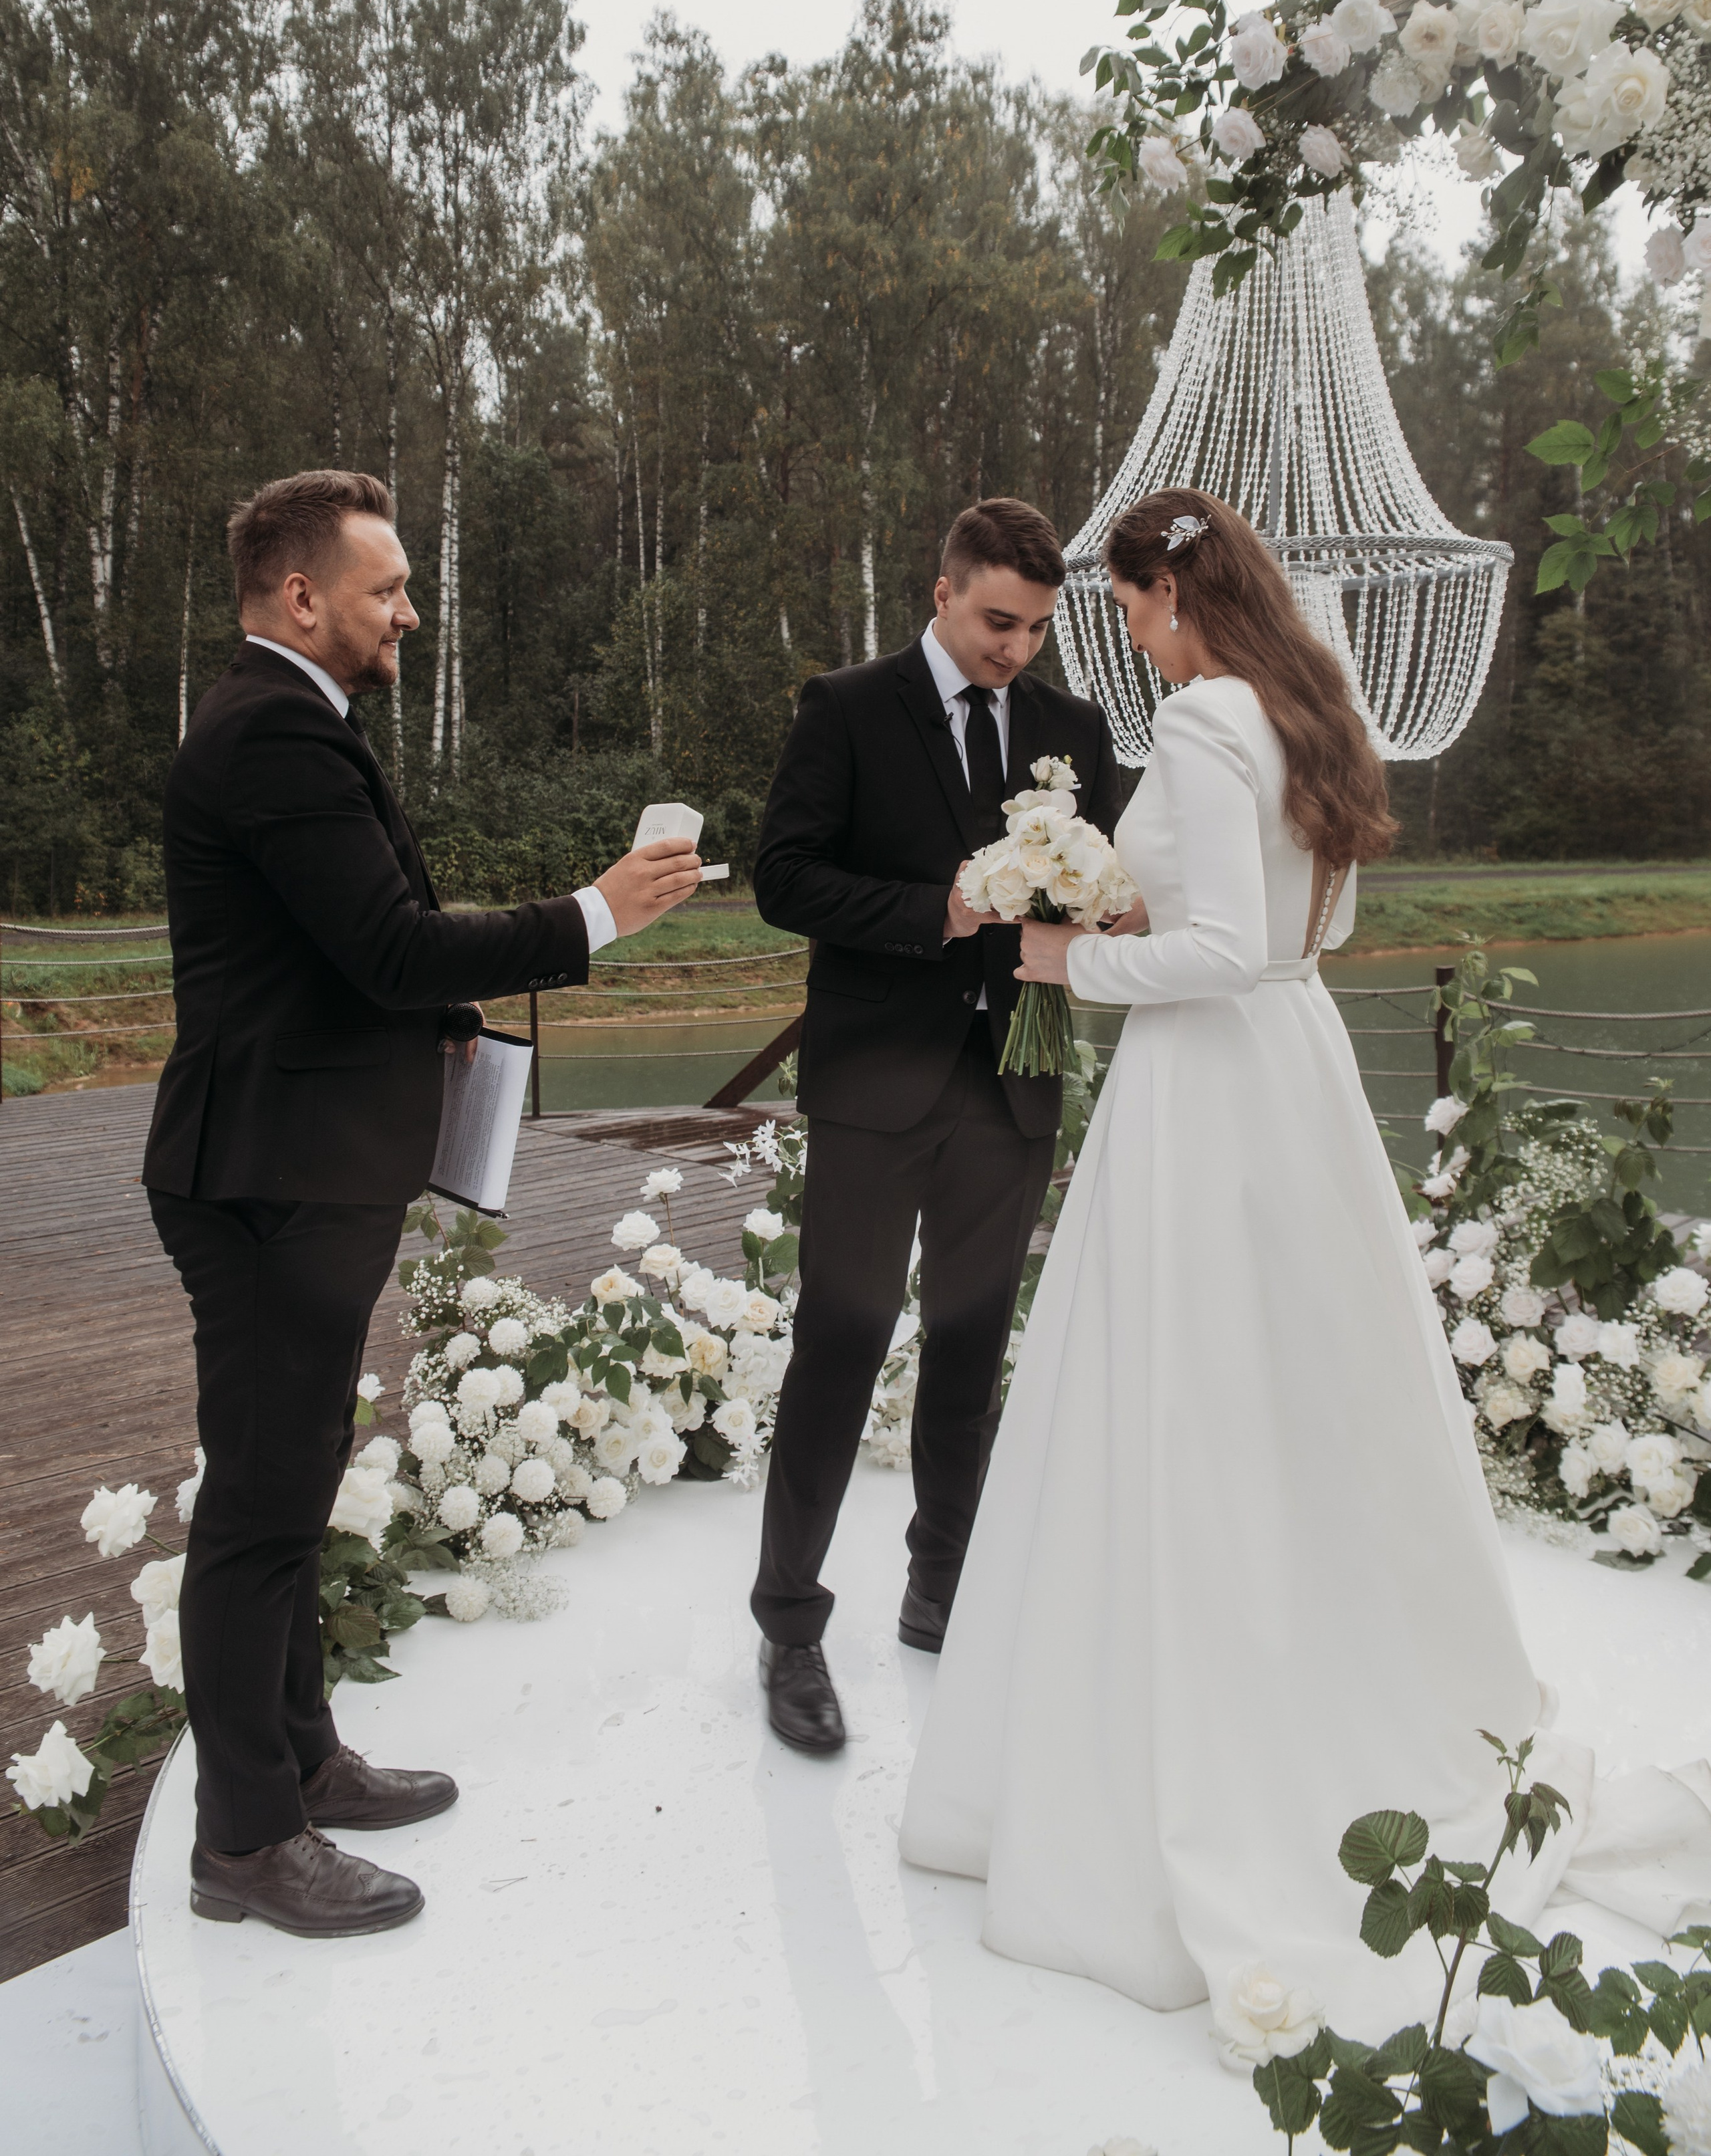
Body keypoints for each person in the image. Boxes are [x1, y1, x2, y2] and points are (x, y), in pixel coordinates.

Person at [899, 485, 1711, 2048]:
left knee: (1184, 1399)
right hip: (1294, 1076)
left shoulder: (1206, 724)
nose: (1125, 634)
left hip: (1208, 1089)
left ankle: (1190, 1747)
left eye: (1129, 607)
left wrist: (1065, 953)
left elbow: (1223, 957)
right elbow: (1301, 938)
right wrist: (1139, 903)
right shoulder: (1308, 710)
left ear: (1171, 596)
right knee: (1293, 1396)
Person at [142, 469, 700, 1940]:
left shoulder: (302, 726)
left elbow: (340, 955)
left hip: (302, 1167)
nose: (408, 611)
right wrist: (594, 915)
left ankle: (303, 1754)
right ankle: (245, 1840)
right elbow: (388, 946)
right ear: (299, 595)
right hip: (268, 1178)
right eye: (385, 588)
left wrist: (440, 1019)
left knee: (297, 1470)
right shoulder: (271, 734)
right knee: (259, 1505)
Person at [749, 497, 1123, 1755]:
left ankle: (942, 1590)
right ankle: (790, 1627)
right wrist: (941, 911)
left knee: (968, 1356)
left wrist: (1103, 917)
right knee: (840, 1347)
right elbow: (784, 880)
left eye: (1035, 629)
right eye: (996, 622)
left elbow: (1114, 875)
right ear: (943, 591)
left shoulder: (1074, 731)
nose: (1016, 649)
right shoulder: (845, 709)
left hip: (1013, 1079)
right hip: (874, 1082)